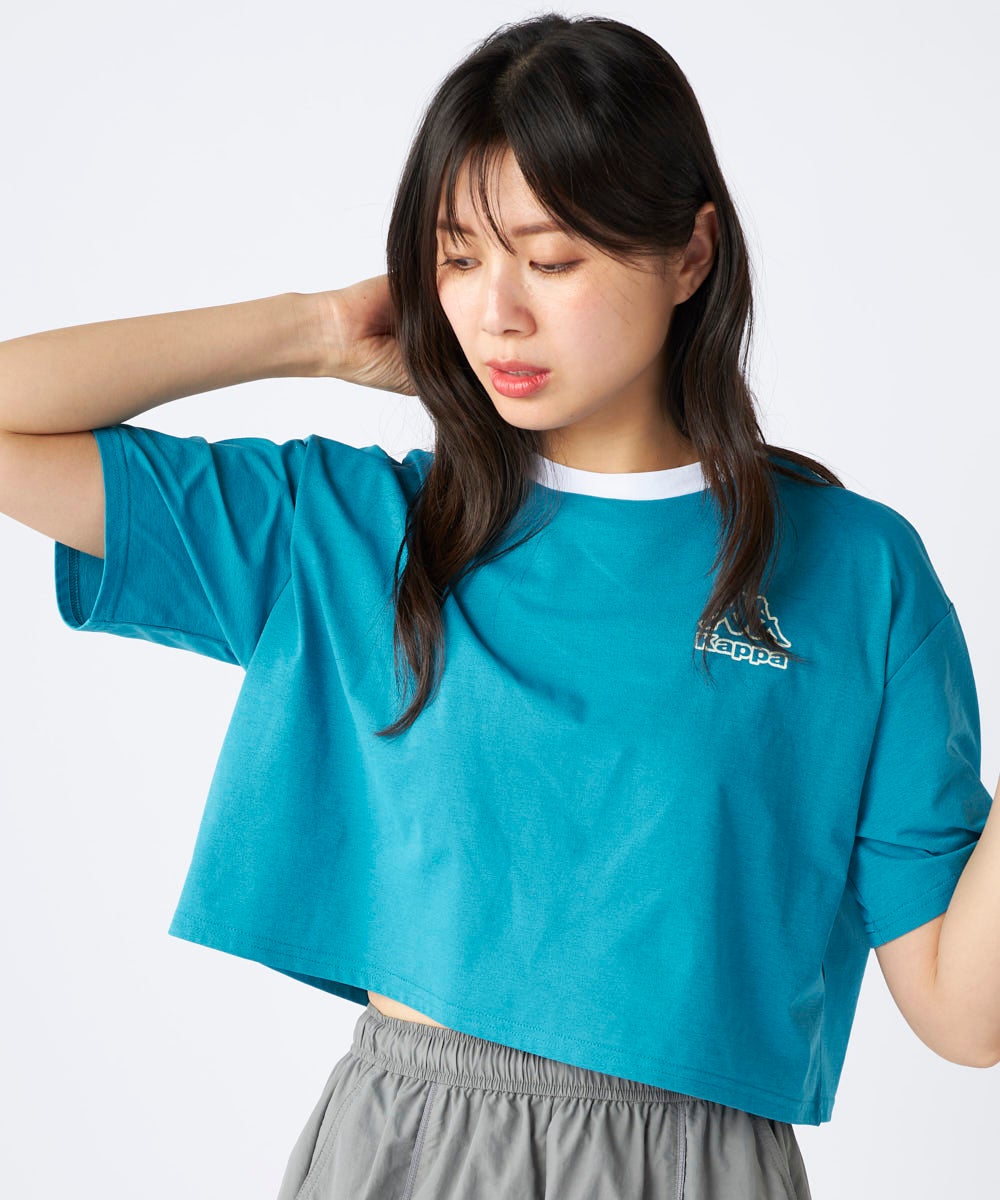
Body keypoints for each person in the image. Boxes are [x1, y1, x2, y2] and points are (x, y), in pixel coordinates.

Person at [0, 12, 994, 1200]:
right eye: (458, 258)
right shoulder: (355, 530)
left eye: (551, 260)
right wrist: (312, 329)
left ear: (689, 255)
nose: (495, 313)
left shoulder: (854, 570)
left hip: (698, 1167)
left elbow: (962, 1013)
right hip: (412, 1151)